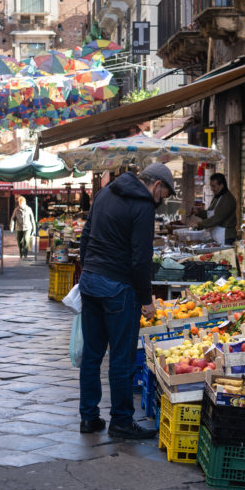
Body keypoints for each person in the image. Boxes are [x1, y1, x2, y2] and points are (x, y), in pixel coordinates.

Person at [78, 163, 174, 439]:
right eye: (164, 195)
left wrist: (89, 270)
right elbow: (140, 259)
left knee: (93, 354)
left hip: (92, 282)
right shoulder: (142, 205)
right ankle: (121, 421)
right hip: (118, 287)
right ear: (156, 185)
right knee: (122, 357)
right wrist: (147, 299)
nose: (162, 201)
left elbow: (86, 235)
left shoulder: (106, 192)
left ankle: (88, 417)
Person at [189, 172, 237, 244]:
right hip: (216, 236)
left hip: (225, 237)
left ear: (221, 185)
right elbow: (210, 214)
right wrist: (199, 212)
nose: (212, 189)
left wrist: (199, 224)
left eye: (214, 186)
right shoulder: (217, 197)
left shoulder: (228, 199)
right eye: (211, 186)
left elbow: (217, 218)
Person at [10, 196, 36, 260]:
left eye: (22, 203)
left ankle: (25, 255)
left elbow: (32, 219)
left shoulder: (29, 209)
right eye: (20, 203)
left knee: (26, 241)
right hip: (19, 227)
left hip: (27, 227)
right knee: (19, 242)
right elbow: (13, 218)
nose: (21, 205)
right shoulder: (16, 209)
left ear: (25, 203)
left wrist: (34, 229)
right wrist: (11, 227)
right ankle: (21, 253)